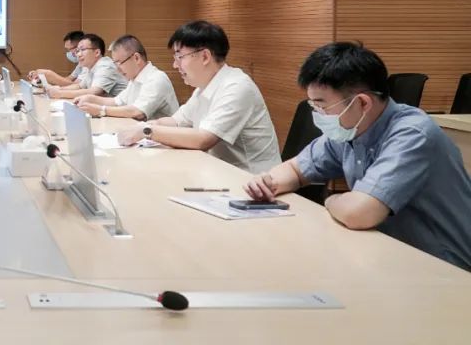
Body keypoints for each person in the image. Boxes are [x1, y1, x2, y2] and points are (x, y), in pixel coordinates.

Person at [244, 42, 471, 271]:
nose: (318, 114)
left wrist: (331, 200)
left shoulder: (412, 134)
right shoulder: (351, 129)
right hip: (391, 255)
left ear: (362, 102)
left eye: (322, 106)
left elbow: (359, 213)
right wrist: (267, 182)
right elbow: (295, 169)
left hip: (447, 268)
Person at [119, 21, 280, 173]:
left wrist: (147, 131)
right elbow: (176, 121)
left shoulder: (237, 86)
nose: (175, 65)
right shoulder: (203, 87)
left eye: (180, 57)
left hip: (252, 180)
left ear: (205, 57)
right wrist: (145, 126)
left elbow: (203, 139)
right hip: (217, 171)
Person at [74, 35, 179, 120]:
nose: (117, 69)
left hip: (160, 137)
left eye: (119, 62)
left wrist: (101, 110)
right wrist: (90, 98)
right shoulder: (134, 79)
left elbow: (137, 112)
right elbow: (116, 102)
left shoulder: (156, 78)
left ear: (136, 58)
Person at [46, 33, 127, 100]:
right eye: (78, 51)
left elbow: (94, 92)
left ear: (97, 52)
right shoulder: (90, 66)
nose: (78, 54)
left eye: (83, 50)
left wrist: (60, 93)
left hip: (123, 110)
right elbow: (79, 86)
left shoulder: (105, 66)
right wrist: (58, 89)